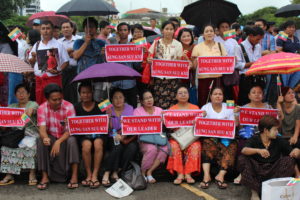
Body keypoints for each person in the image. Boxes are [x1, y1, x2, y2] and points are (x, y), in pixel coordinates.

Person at [238, 115, 300, 200]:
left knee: (289, 160)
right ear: (266, 130)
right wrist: (258, 151)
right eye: (275, 129)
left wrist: (296, 150)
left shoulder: (278, 140)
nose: (277, 132)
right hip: (257, 170)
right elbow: (244, 150)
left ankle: (275, 188)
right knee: (243, 159)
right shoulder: (255, 138)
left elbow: (292, 153)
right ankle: (254, 191)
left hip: (273, 171)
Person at [233, 84, 283, 184]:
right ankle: (243, 173)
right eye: (254, 92)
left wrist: (279, 106)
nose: (257, 95)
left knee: (279, 142)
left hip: (265, 134)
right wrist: (235, 114)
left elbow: (279, 123)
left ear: (263, 95)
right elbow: (238, 125)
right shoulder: (243, 108)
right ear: (249, 96)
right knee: (243, 144)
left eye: (259, 92)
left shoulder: (268, 107)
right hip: (249, 134)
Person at [36, 84, 79, 189]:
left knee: (72, 141)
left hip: (65, 136)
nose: (58, 102)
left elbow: (70, 130)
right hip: (51, 135)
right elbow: (42, 129)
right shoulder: (42, 108)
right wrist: (45, 138)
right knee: (41, 140)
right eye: (54, 100)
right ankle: (45, 176)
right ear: (47, 99)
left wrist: (58, 142)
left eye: (60, 98)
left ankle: (74, 176)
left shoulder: (69, 106)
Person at [0, 84, 39, 186]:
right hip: (15, 135)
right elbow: (4, 126)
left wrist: (29, 113)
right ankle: (9, 174)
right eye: (18, 92)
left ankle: (32, 174)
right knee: (6, 146)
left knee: (30, 146)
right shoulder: (11, 107)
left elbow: (28, 116)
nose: (21, 95)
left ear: (28, 94)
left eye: (23, 92)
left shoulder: (33, 104)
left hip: (30, 133)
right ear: (15, 95)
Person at [200, 87, 237, 189]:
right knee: (206, 143)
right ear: (211, 96)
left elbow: (235, 124)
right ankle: (206, 176)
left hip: (225, 138)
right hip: (211, 138)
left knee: (232, 146)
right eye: (215, 94)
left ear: (223, 96)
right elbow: (198, 124)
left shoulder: (228, 106)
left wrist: (236, 114)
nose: (218, 96)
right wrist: (200, 117)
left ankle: (220, 176)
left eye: (220, 94)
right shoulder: (205, 108)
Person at [102, 88, 138, 186]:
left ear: (124, 98)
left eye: (120, 97)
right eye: (115, 98)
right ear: (112, 100)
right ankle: (108, 172)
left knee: (132, 147)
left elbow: (131, 124)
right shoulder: (108, 109)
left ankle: (118, 171)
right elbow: (108, 130)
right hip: (111, 136)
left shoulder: (130, 108)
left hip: (126, 135)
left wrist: (123, 136)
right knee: (117, 146)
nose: (118, 100)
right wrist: (108, 117)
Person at [166, 85, 201, 185]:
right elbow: (169, 128)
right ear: (176, 96)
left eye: (185, 92)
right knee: (173, 145)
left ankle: (188, 173)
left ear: (189, 95)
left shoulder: (195, 108)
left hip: (191, 137)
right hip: (177, 137)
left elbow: (199, 126)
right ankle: (179, 173)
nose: (183, 95)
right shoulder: (171, 109)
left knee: (196, 145)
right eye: (180, 93)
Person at [29, 20, 69, 105]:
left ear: (52, 30)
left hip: (54, 79)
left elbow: (66, 61)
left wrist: (59, 70)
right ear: (40, 30)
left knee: (55, 103)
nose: (46, 31)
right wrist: (33, 57)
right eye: (43, 28)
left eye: (48, 28)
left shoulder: (59, 44)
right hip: (39, 80)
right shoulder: (37, 44)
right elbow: (31, 61)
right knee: (40, 104)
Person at [74, 82, 105, 189]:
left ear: (92, 93)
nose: (86, 95)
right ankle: (89, 174)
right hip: (83, 135)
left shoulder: (101, 105)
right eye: (83, 92)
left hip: (98, 134)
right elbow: (72, 123)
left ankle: (95, 174)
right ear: (79, 94)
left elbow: (108, 124)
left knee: (97, 143)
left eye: (88, 92)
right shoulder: (76, 107)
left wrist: (109, 115)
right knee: (86, 146)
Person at [133, 90, 168, 183]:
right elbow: (134, 125)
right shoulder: (137, 111)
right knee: (152, 149)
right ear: (141, 101)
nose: (149, 100)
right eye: (146, 98)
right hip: (145, 139)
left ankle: (150, 172)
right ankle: (143, 172)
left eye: (150, 97)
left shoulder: (159, 110)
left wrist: (164, 120)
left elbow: (167, 123)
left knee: (165, 149)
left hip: (158, 138)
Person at [148, 21, 183, 109]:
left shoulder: (178, 44)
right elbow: (149, 57)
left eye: (171, 29)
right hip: (159, 79)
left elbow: (179, 62)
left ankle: (170, 122)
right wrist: (149, 60)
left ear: (174, 31)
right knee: (158, 102)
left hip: (173, 80)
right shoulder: (156, 43)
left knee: (172, 103)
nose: (169, 31)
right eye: (166, 29)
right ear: (162, 30)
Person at [192, 24, 227, 107]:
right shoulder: (197, 47)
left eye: (211, 31)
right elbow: (193, 67)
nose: (209, 33)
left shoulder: (220, 45)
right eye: (206, 31)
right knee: (203, 100)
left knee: (217, 100)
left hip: (217, 78)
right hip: (203, 79)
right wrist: (196, 61)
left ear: (214, 33)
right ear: (203, 34)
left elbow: (225, 62)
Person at [73, 17, 106, 102]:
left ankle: (100, 115)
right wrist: (86, 43)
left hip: (98, 77)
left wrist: (104, 54)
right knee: (83, 100)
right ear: (84, 29)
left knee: (98, 100)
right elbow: (76, 56)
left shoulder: (102, 43)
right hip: (83, 76)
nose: (89, 29)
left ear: (96, 29)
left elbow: (107, 61)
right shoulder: (78, 42)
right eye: (87, 27)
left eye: (91, 27)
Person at [111, 22, 140, 108]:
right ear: (117, 32)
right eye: (120, 30)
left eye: (125, 30)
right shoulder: (112, 47)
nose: (123, 32)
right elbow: (108, 65)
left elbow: (137, 66)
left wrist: (140, 55)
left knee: (132, 109)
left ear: (129, 32)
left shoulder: (134, 47)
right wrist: (104, 55)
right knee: (115, 110)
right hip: (115, 84)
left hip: (130, 83)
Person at [235, 26, 265, 106]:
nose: (259, 41)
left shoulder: (258, 46)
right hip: (245, 78)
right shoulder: (239, 47)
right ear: (251, 36)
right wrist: (252, 64)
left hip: (257, 78)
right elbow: (237, 65)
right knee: (245, 101)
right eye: (258, 39)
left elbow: (259, 59)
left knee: (257, 100)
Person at [215, 20, 240, 101]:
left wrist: (235, 59)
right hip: (218, 71)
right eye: (222, 27)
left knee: (230, 92)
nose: (224, 29)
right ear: (218, 29)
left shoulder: (233, 41)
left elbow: (238, 55)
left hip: (231, 71)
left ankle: (230, 109)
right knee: (219, 91)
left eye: (226, 27)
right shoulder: (214, 40)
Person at [58, 21, 81, 104]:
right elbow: (58, 56)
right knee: (64, 93)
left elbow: (78, 54)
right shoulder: (58, 42)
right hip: (63, 71)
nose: (65, 29)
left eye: (67, 27)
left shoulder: (79, 40)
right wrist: (69, 51)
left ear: (72, 29)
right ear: (61, 30)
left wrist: (71, 53)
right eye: (63, 28)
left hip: (76, 70)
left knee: (75, 93)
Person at [276, 21, 300, 89]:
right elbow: (279, 51)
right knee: (285, 83)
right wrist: (290, 55)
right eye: (289, 27)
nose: (292, 29)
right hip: (285, 64)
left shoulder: (296, 38)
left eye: (293, 27)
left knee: (294, 82)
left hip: (296, 64)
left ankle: (290, 95)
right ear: (285, 29)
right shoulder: (282, 37)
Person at [24, 29, 41, 101]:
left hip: (33, 76)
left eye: (28, 36)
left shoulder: (32, 49)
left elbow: (30, 62)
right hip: (31, 76)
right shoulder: (30, 48)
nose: (26, 38)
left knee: (33, 96)